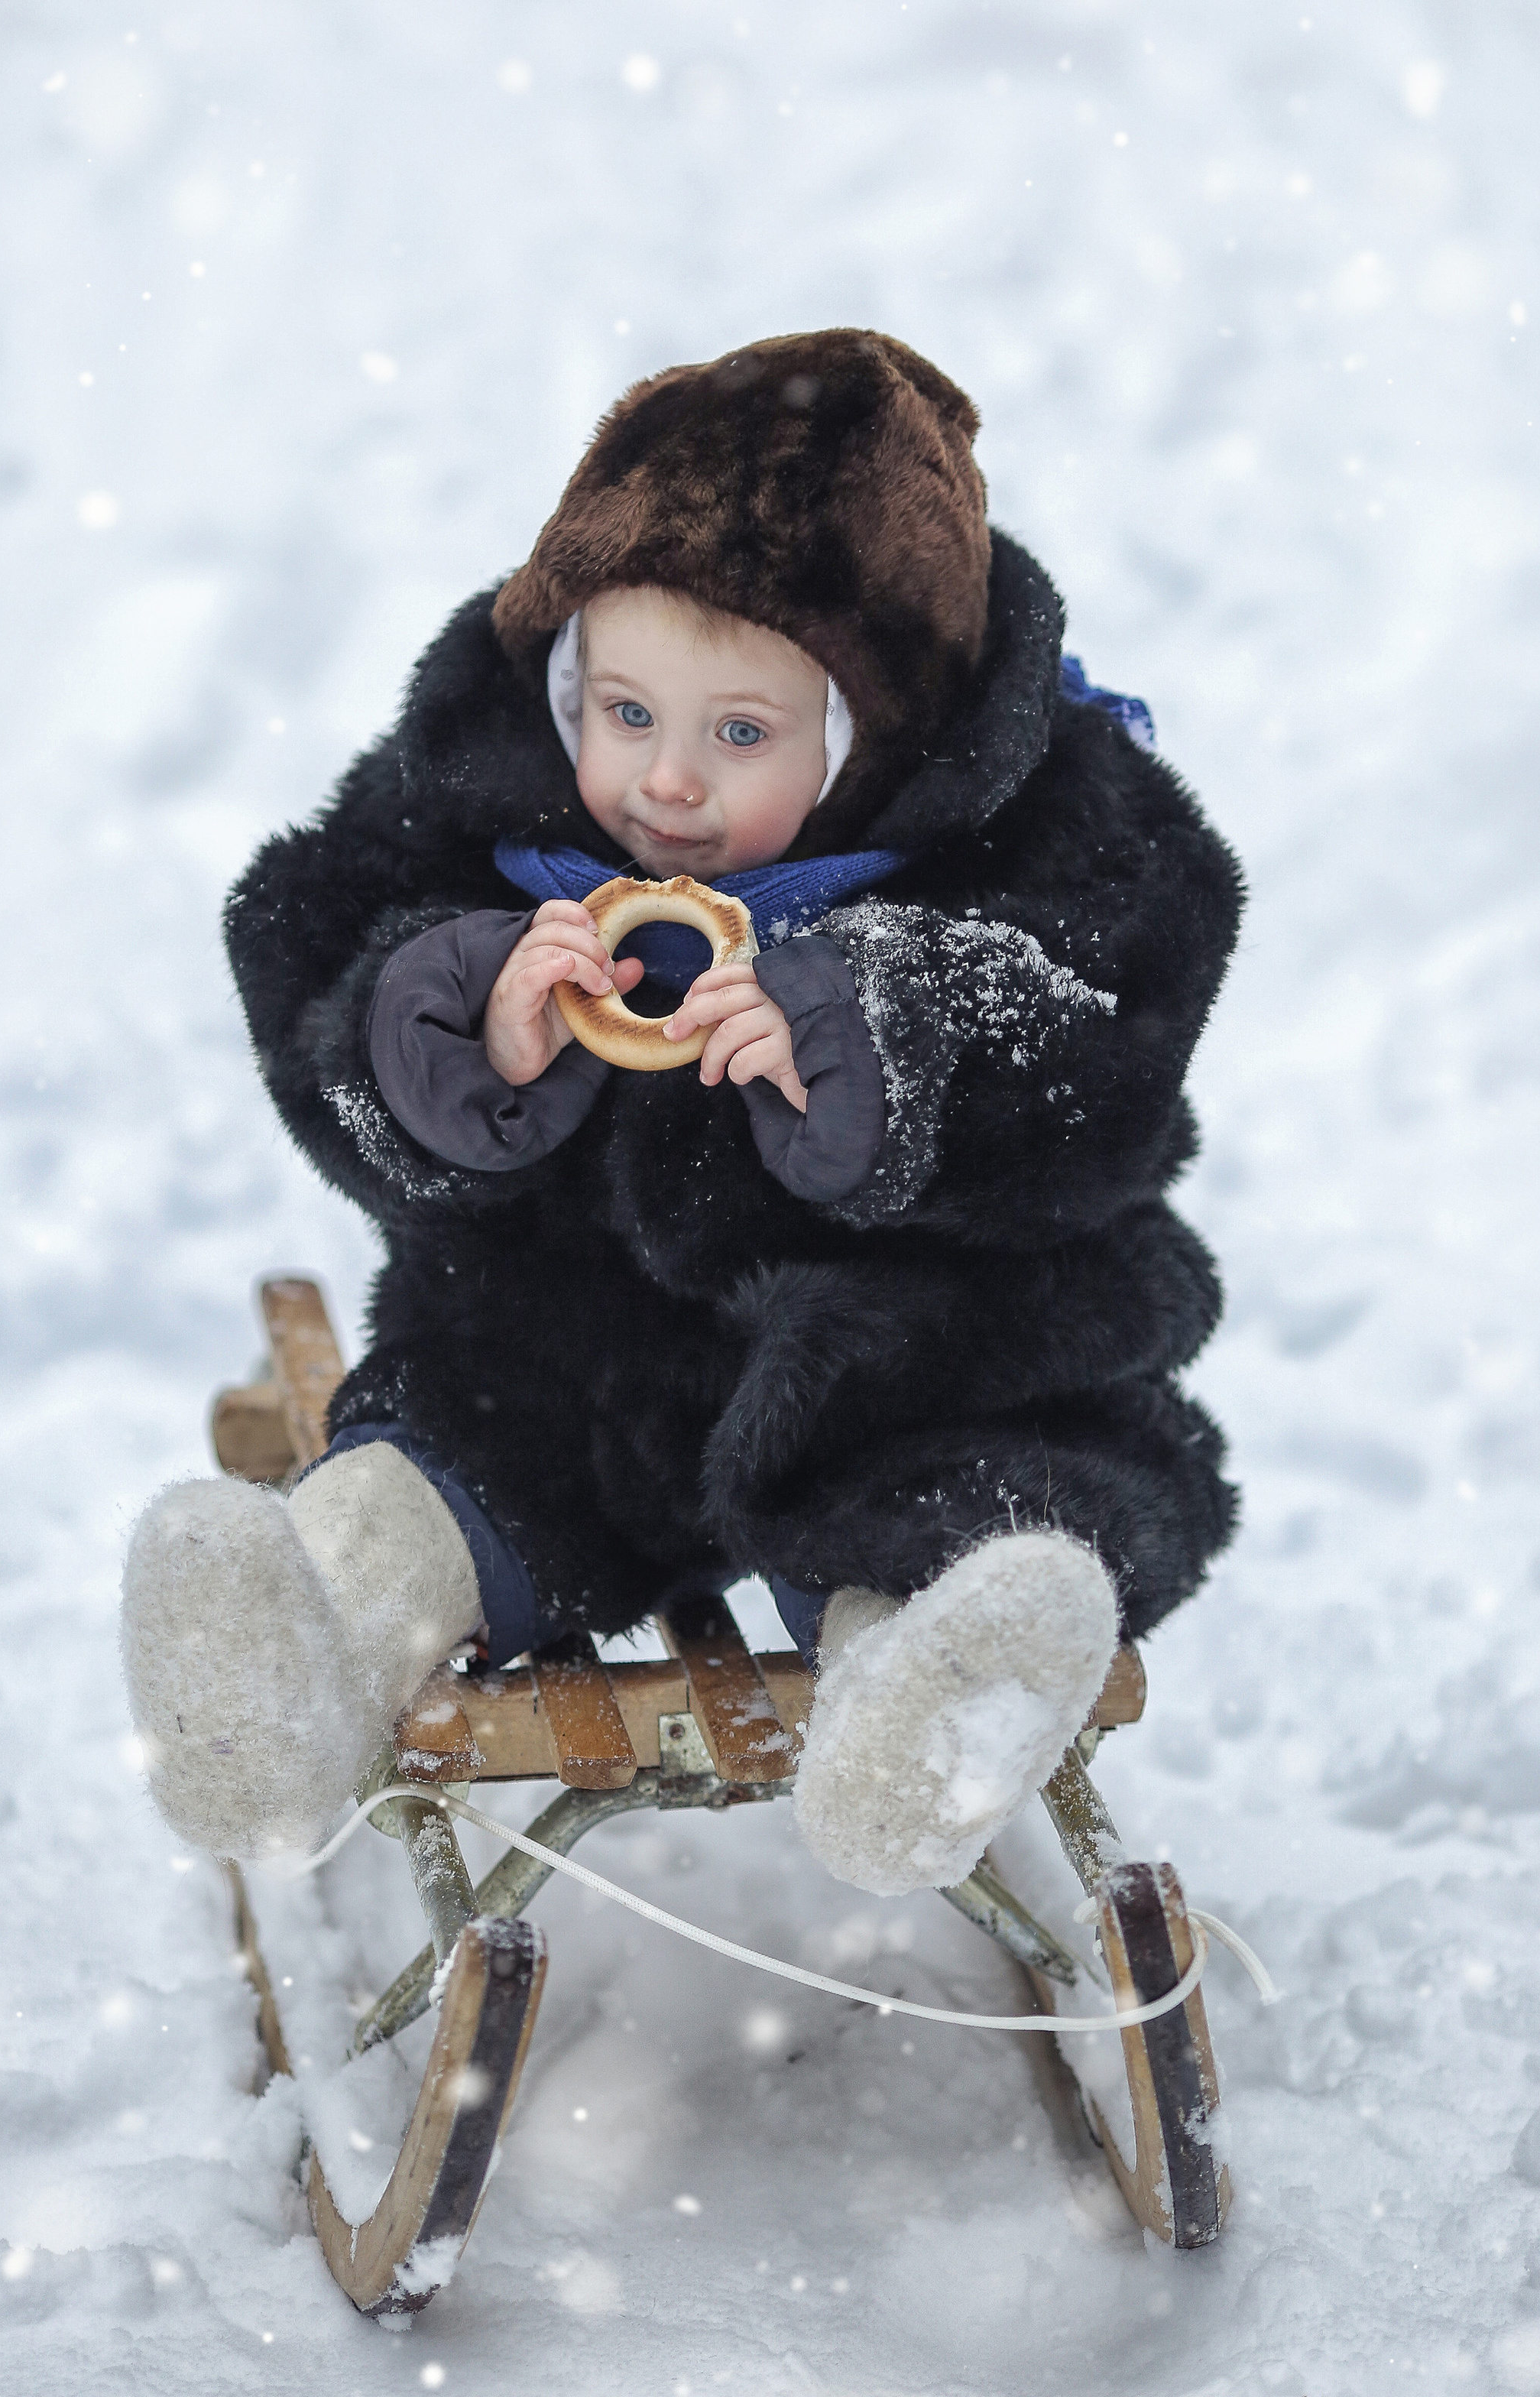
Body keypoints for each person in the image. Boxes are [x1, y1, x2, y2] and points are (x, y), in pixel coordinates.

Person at [122, 328, 1243, 1894]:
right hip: (559, 1351)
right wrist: (463, 1025)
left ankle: (945, 1686)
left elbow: (1100, 1039)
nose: (665, 782)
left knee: (968, 1501)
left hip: (901, 1359)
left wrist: (875, 1037)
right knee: (431, 1473)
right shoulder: (482, 805)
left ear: (865, 741)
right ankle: (291, 1668)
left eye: (741, 734)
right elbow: (309, 939)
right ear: (566, 679)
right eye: (627, 711)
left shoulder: (1037, 835)